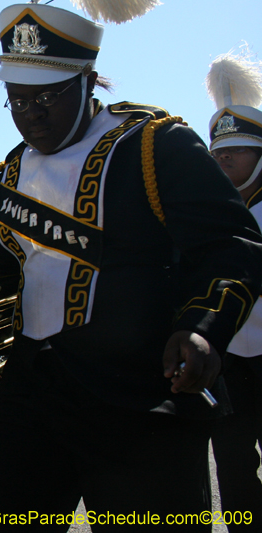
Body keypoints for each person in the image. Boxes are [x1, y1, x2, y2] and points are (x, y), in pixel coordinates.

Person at [0, 3, 262, 529]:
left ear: (87, 79)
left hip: (140, 396)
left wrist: (202, 328)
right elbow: (15, 271)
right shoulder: (10, 173)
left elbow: (230, 242)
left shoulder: (154, 144)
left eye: (46, 96)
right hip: (33, 392)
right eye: (16, 99)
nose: (30, 113)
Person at [205, 49, 262, 530]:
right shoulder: (208, 217)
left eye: (237, 150)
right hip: (230, 365)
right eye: (219, 151)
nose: (224, 157)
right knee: (236, 471)